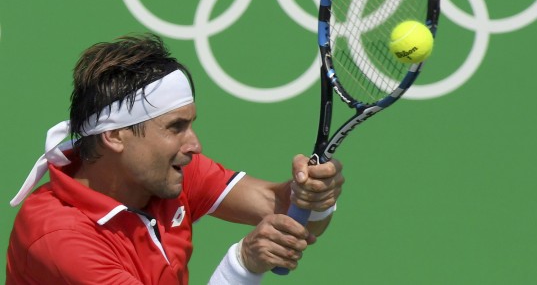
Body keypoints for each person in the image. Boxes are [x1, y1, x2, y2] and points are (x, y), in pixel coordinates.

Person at [5, 34, 344, 284]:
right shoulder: (59, 238)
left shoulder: (169, 173)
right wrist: (242, 265)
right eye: (175, 127)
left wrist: (312, 198)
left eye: (191, 124)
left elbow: (288, 213)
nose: (194, 145)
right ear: (114, 136)